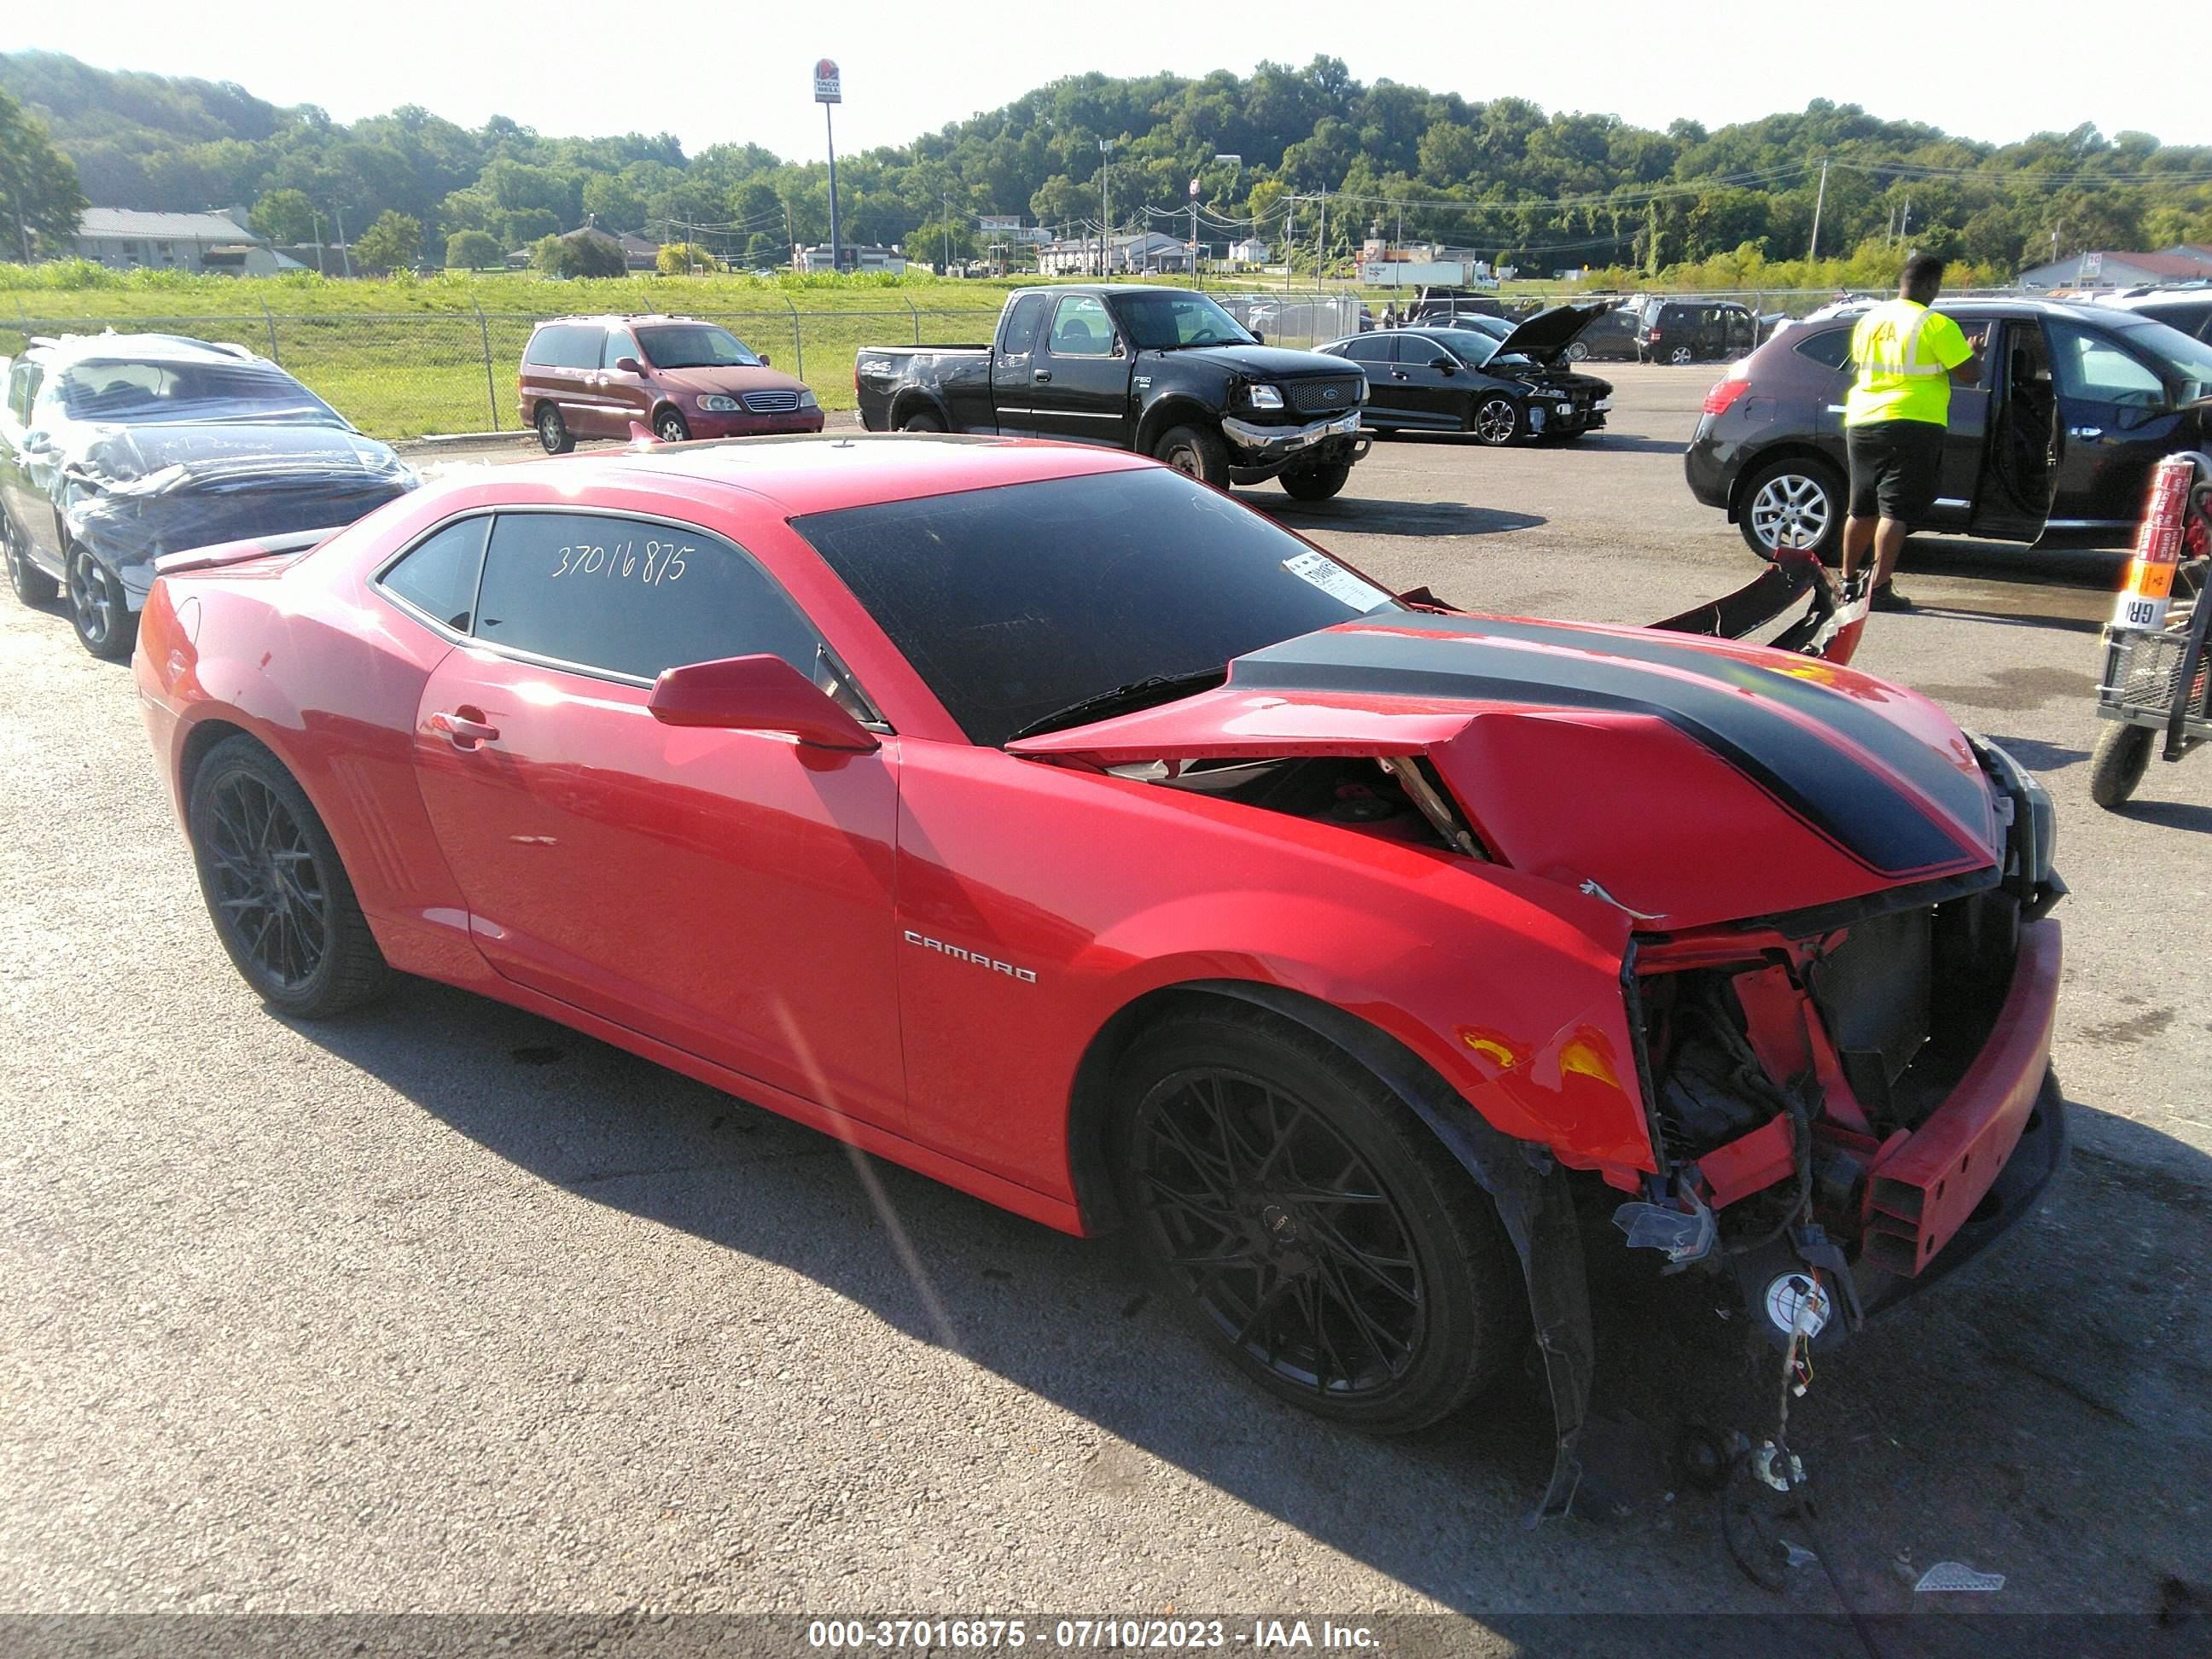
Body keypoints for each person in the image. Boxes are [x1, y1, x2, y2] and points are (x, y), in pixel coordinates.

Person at [1840, 253, 1982, 612]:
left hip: (1861, 419)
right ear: (1932, 285)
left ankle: (1847, 582)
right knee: (1895, 511)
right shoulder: (1935, 324)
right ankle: (1880, 587)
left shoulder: (1868, 321)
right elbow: (1971, 374)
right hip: (1911, 421)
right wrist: (1973, 351)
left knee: (1861, 507)